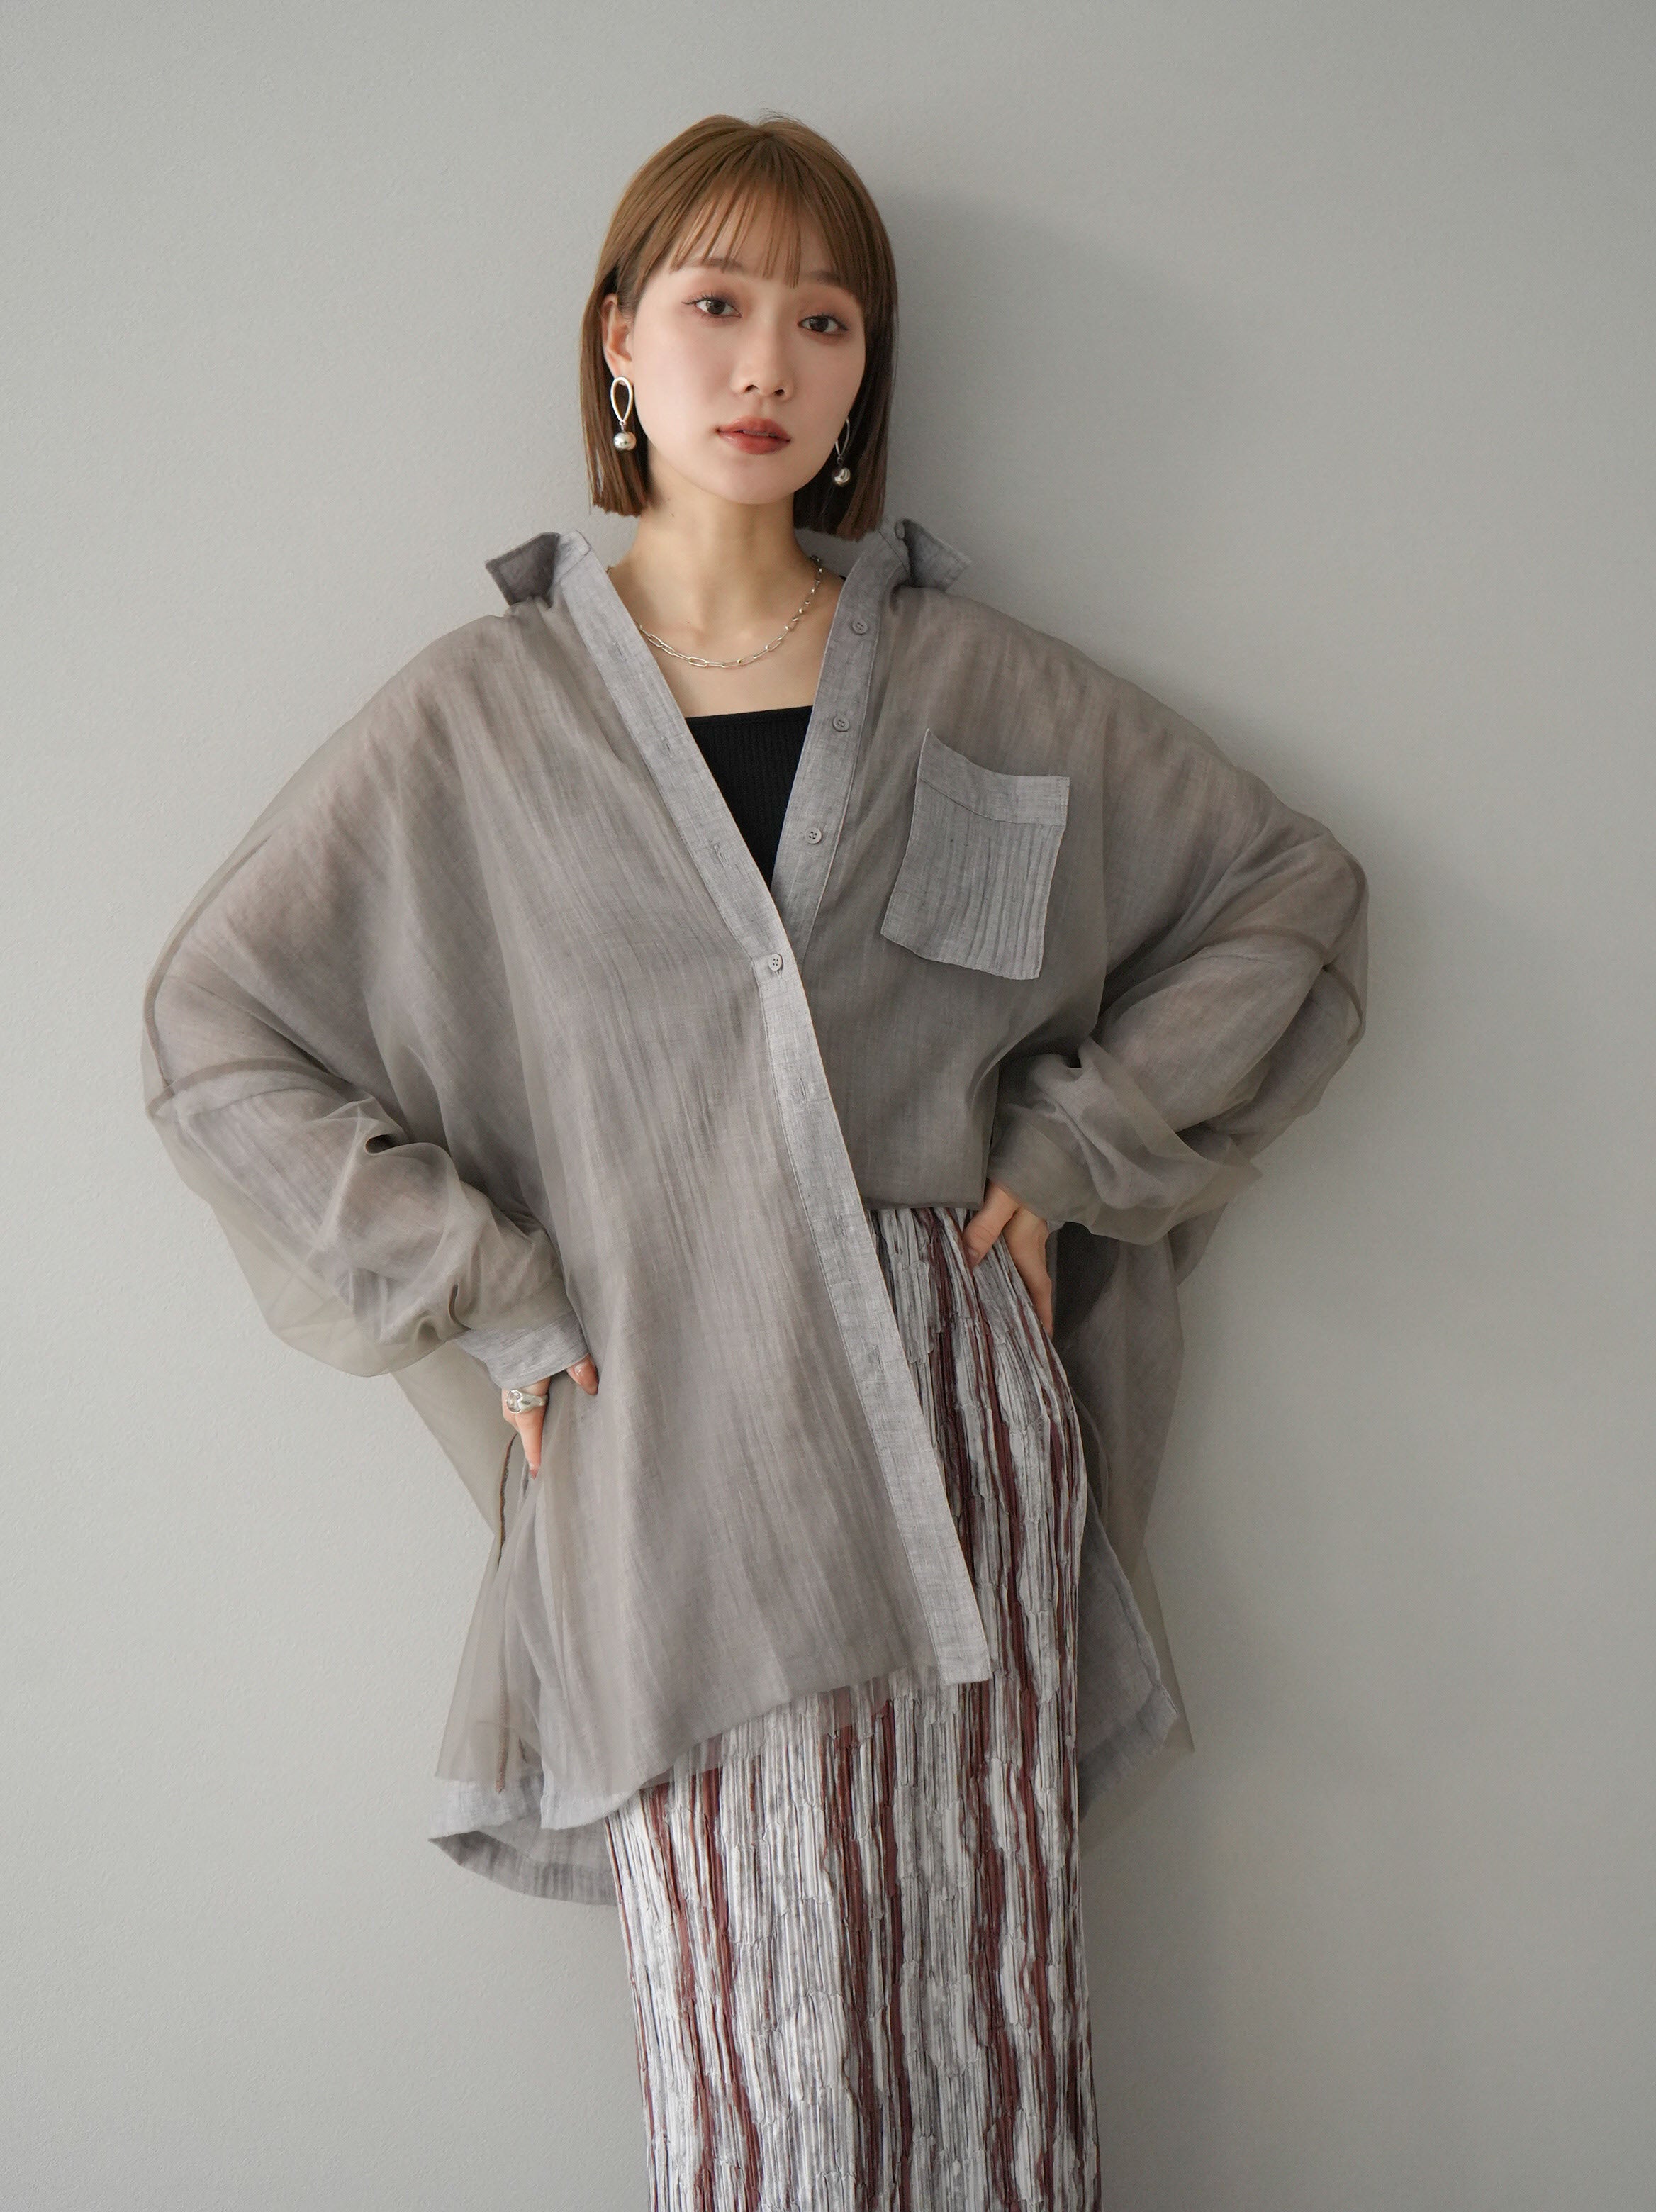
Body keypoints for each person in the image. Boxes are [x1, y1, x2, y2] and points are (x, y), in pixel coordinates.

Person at [141, 111, 1367, 2211]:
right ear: (619, 341)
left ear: (865, 374)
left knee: (993, 2028)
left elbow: (1286, 897)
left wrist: (1072, 1149)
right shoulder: (485, 723)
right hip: (671, 1427)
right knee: (757, 2062)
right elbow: (216, 1030)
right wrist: (489, 1290)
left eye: (825, 321)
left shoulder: (979, 686)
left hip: (956, 1420)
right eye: (716, 304)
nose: (768, 363)